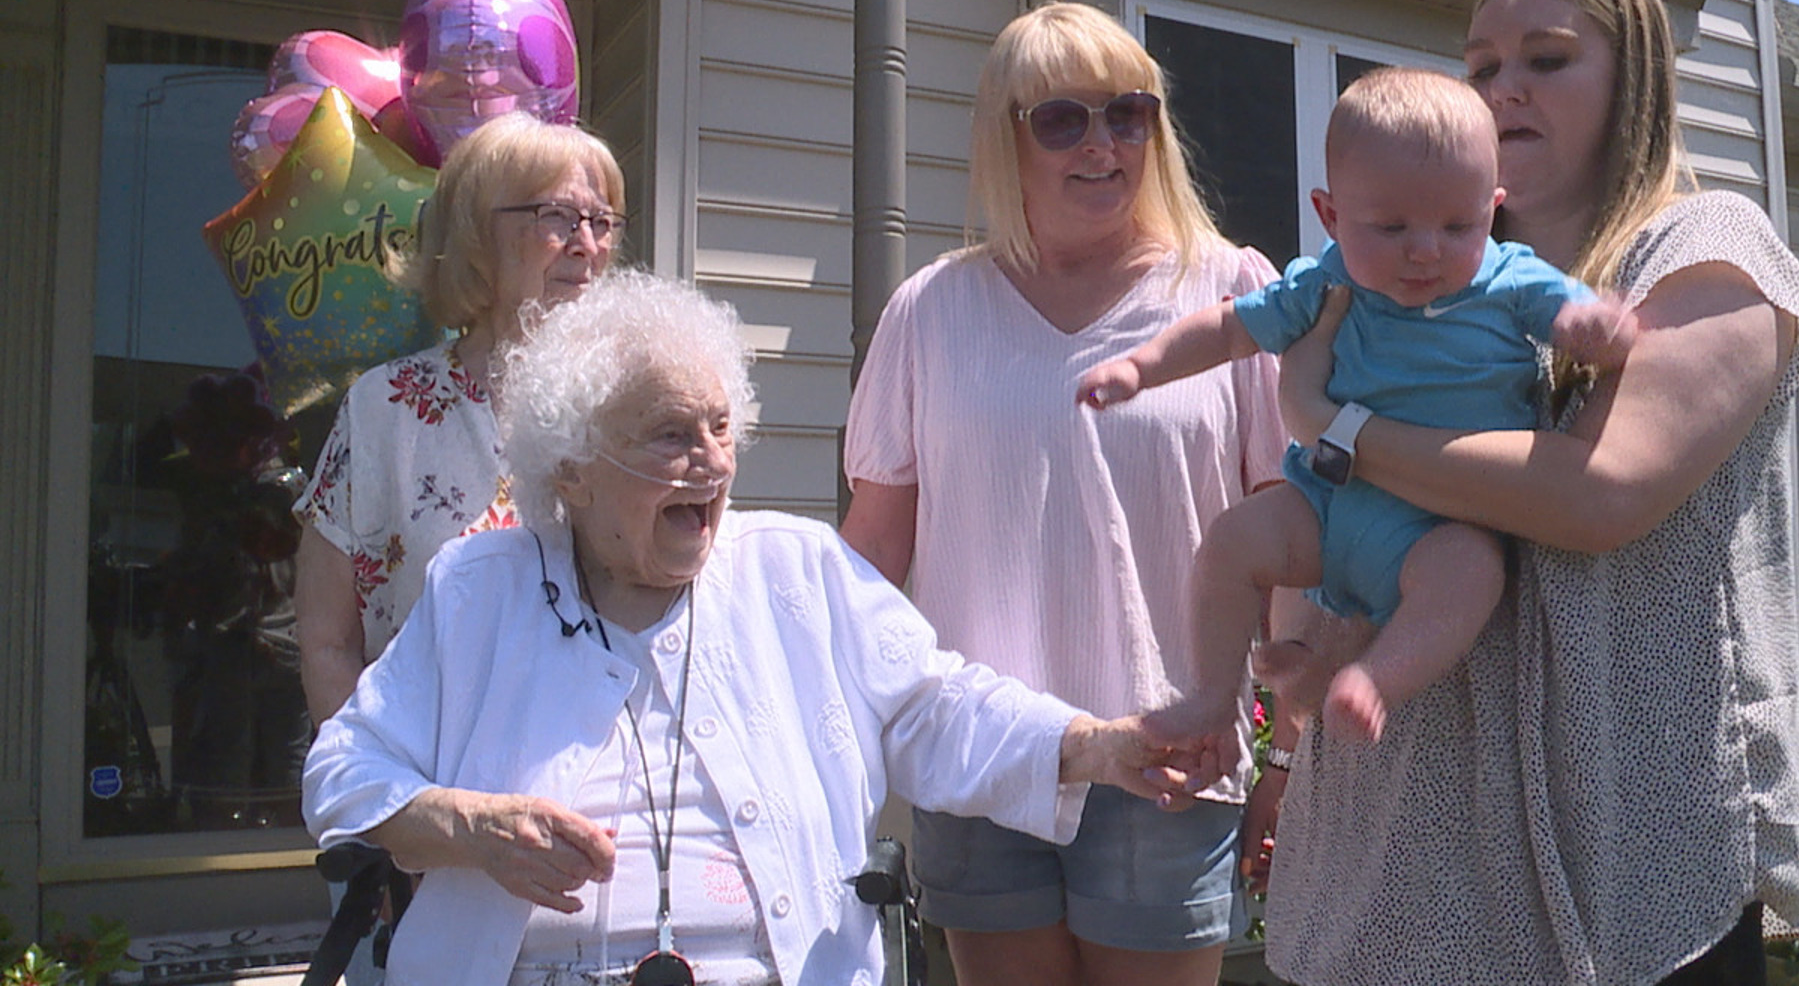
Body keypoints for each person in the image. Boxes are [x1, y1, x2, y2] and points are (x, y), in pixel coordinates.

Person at [302, 270, 1206, 986]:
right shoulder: (480, 588)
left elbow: (936, 706)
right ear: (571, 472)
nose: (711, 460)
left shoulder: (794, 570)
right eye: (668, 435)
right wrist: (466, 826)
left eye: (722, 426)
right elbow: (345, 769)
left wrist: (1091, 744)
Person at [1248, 0, 1799, 986]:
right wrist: (1312, 654)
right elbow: (1347, 517)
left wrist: (1331, 421)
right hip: (1405, 851)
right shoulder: (1412, 282)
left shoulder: (1706, 252)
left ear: (1637, 81)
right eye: (1482, 65)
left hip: (1635, 852)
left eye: (1547, 57)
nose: (1503, 85)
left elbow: (1597, 494)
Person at [841, 1, 1289, 986]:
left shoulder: (1236, 296)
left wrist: (1291, 754)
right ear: (1008, 138)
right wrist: (829, 736)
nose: (1103, 145)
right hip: (979, 766)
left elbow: (1291, 543)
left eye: (1128, 114)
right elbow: (869, 557)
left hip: (1174, 760)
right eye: (1062, 120)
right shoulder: (929, 311)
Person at [1079, 67, 1637, 743]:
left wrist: (1596, 330)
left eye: (1458, 224)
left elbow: (1573, 315)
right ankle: (1209, 697)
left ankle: (1374, 679)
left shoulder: (1509, 275)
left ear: (1493, 207)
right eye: (1392, 226)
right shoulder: (1324, 280)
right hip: (1326, 504)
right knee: (1228, 542)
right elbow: (1229, 329)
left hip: (1441, 518)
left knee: (1471, 575)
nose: (1426, 249)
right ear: (1331, 217)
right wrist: (1142, 367)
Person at [293, 113, 627, 725]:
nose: (588, 244)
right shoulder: (387, 409)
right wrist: (373, 795)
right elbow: (326, 639)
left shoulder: (633, 403)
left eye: (602, 221)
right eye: (556, 216)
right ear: (476, 233)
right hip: (432, 788)